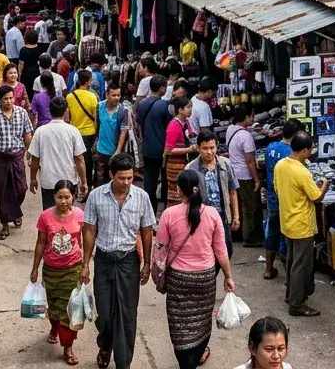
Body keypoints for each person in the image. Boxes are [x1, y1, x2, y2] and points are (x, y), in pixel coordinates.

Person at [81, 153, 155, 369]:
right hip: (103, 261)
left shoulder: (141, 197)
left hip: (128, 262)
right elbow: (89, 230)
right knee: (103, 313)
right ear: (111, 175)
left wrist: (147, 264)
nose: (126, 183)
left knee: (127, 314)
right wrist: (85, 263)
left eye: (130, 178)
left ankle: (123, 362)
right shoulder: (96, 196)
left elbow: (147, 231)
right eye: (121, 178)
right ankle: (105, 345)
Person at [157, 169, 235, 369]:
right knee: (201, 323)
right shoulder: (212, 214)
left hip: (178, 280)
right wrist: (228, 276)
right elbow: (221, 250)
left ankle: (186, 363)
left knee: (179, 325)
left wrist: (157, 276)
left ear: (178, 189)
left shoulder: (169, 214)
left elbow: (160, 251)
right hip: (205, 279)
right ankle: (196, 356)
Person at [275, 132, 330, 316]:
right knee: (301, 266)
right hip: (302, 225)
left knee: (291, 261)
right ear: (305, 150)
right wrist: (325, 185)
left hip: (287, 222)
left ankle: (290, 294)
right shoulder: (302, 171)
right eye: (310, 150)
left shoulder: (280, 165)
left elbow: (277, 188)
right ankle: (297, 304)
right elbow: (317, 197)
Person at [31, 181, 85, 366]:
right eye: (60, 197)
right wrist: (35, 268)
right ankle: (54, 329)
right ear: (54, 197)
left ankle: (67, 347)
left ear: (73, 197)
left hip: (72, 269)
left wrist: (85, 266)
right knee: (53, 307)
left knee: (69, 310)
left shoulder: (79, 215)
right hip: (51, 270)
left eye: (67, 197)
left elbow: (83, 241)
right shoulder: (45, 217)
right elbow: (40, 243)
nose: (63, 201)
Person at [0, 84, 34, 240]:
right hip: (0, 157)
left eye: (11, 98)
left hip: (17, 155)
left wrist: (29, 152)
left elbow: (27, 134)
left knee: (21, 188)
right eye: (6, 99)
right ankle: (5, 225)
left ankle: (15, 210)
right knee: (2, 192)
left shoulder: (22, 113)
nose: (9, 101)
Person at [184, 129, 239, 259]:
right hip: (201, 217)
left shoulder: (225, 164)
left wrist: (236, 216)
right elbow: (185, 198)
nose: (209, 152)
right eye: (205, 148)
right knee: (204, 253)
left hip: (222, 216)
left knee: (225, 252)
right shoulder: (191, 169)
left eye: (212, 148)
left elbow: (232, 190)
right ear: (198, 148)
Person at [29, 97, 88, 210]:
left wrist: (33, 179)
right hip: (69, 180)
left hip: (48, 181)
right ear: (66, 110)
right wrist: (84, 182)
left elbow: (35, 159)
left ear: (49, 111)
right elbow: (79, 159)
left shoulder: (40, 131)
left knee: (49, 214)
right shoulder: (73, 131)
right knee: (68, 213)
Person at [261, 119, 300, 280]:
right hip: (288, 200)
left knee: (272, 233)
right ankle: (290, 274)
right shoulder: (291, 153)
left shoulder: (270, 148)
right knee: (289, 236)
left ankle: (268, 269)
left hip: (272, 198)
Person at [225, 107, 261, 247]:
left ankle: (237, 233)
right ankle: (251, 237)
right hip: (244, 175)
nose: (252, 119)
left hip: (233, 173)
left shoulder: (230, 129)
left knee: (237, 204)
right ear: (246, 117)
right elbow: (250, 162)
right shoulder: (246, 136)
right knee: (250, 206)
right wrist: (257, 180)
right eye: (251, 116)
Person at [137, 75, 171, 212]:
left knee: (149, 180)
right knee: (165, 178)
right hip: (161, 147)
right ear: (162, 88)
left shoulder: (142, 104)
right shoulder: (164, 105)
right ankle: (162, 208)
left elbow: (139, 122)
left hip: (147, 147)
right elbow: (168, 127)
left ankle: (149, 209)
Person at [66, 70, 100, 191]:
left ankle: (76, 183)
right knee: (87, 161)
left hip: (74, 132)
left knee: (75, 160)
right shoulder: (92, 96)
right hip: (89, 133)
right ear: (88, 82)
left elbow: (67, 117)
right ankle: (87, 184)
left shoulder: (70, 96)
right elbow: (96, 117)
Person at [163, 96, 197, 205]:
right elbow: (169, 150)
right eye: (188, 107)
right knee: (176, 194)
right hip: (175, 165)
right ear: (180, 110)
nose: (191, 109)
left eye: (191, 107)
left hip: (184, 163)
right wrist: (189, 149)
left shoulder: (186, 122)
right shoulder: (173, 125)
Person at [93, 87, 130, 187]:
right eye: (113, 95)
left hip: (114, 152)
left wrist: (118, 151)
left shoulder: (122, 111)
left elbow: (124, 131)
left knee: (114, 181)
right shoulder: (99, 107)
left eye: (118, 95)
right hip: (101, 150)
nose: (116, 98)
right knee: (99, 180)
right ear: (107, 95)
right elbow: (97, 125)